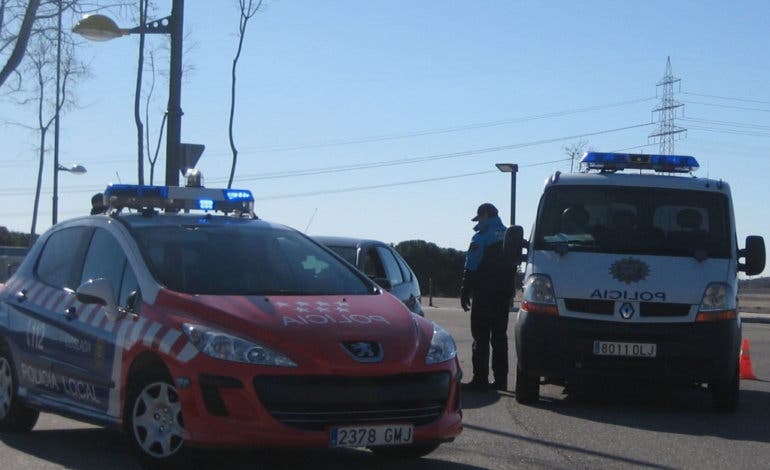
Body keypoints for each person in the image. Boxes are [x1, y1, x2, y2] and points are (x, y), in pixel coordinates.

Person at [460, 202, 514, 391]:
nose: (478, 221)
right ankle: (501, 380)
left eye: (479, 217)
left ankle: (480, 379)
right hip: (504, 294)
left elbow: (472, 264)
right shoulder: (509, 234)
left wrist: (465, 289)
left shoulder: (481, 237)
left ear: (484, 216)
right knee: (500, 336)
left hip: (484, 294)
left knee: (481, 336)